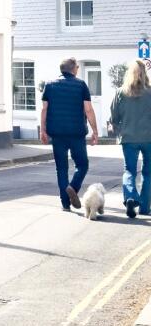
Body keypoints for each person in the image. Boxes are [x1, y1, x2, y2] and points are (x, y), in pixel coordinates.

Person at [41, 57, 99, 212]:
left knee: (61, 169)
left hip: (57, 133)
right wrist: (95, 131)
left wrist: (42, 130)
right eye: (77, 67)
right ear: (73, 69)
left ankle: (65, 203)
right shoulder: (81, 85)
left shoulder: (50, 85)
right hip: (76, 133)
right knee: (82, 165)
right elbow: (88, 110)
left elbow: (44, 109)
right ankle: (73, 187)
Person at [110, 60, 151, 219]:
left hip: (128, 138)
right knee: (148, 173)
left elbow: (114, 117)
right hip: (149, 138)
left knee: (129, 170)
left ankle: (130, 197)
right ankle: (145, 208)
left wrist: (119, 128)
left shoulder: (121, 92)